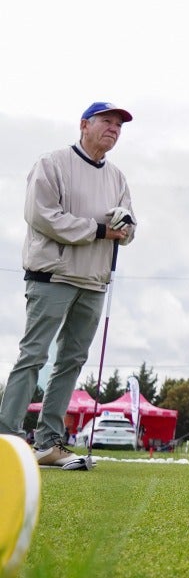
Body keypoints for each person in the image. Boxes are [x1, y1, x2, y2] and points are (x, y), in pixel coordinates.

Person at [0, 102, 136, 469]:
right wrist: (99, 231)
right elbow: (42, 216)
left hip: (93, 281)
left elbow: (128, 229)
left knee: (71, 362)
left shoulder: (118, 177)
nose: (114, 129)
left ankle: (48, 443)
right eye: (106, 122)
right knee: (34, 356)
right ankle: (6, 439)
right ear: (83, 125)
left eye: (119, 125)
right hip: (53, 275)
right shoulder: (52, 163)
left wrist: (124, 229)